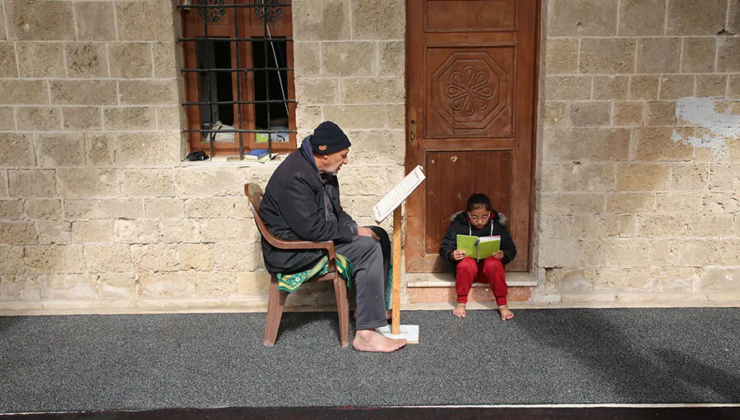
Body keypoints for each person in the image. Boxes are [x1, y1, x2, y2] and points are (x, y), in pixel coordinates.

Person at [258, 121, 406, 352]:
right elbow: (312, 231)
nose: (346, 161)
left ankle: (370, 310)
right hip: (293, 250)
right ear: (324, 153)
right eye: (343, 155)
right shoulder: (296, 176)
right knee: (367, 247)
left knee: (378, 236)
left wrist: (352, 225)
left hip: (310, 237)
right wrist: (355, 232)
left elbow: (336, 212)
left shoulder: (321, 170)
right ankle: (366, 336)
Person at [438, 193, 517, 321]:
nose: (479, 221)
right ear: (468, 214)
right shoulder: (459, 225)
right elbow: (444, 247)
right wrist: (452, 254)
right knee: (466, 263)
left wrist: (503, 255)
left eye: (484, 217)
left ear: (490, 214)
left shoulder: (496, 225)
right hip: (467, 273)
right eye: (474, 217)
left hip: (489, 273)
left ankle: (502, 305)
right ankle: (461, 303)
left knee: (494, 263)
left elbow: (511, 249)